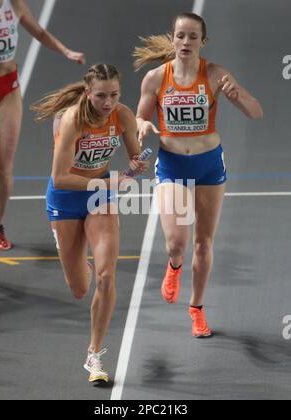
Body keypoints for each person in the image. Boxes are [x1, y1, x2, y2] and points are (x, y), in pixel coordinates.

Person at [135, 12, 263, 338]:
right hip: (173, 166)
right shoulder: (155, 78)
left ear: (202, 42)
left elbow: (256, 111)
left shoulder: (216, 74)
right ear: (173, 38)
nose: (186, 41)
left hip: (208, 165)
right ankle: (175, 265)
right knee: (176, 242)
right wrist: (144, 126)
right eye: (181, 35)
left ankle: (196, 309)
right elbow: (138, 119)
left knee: (204, 244)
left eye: (193, 36)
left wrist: (237, 97)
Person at [31, 63, 150, 385]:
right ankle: (74, 253)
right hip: (67, 197)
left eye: (114, 95)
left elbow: (135, 157)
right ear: (88, 93)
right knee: (80, 288)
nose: (108, 102)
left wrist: (137, 163)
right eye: (101, 96)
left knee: (107, 275)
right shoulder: (72, 120)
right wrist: (110, 185)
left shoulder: (122, 115)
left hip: (100, 197)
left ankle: (94, 353)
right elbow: (61, 177)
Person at [0, 0, 85, 250]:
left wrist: (67, 52)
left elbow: (40, 32)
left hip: (6, 89)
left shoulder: (13, 4)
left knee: (4, 167)